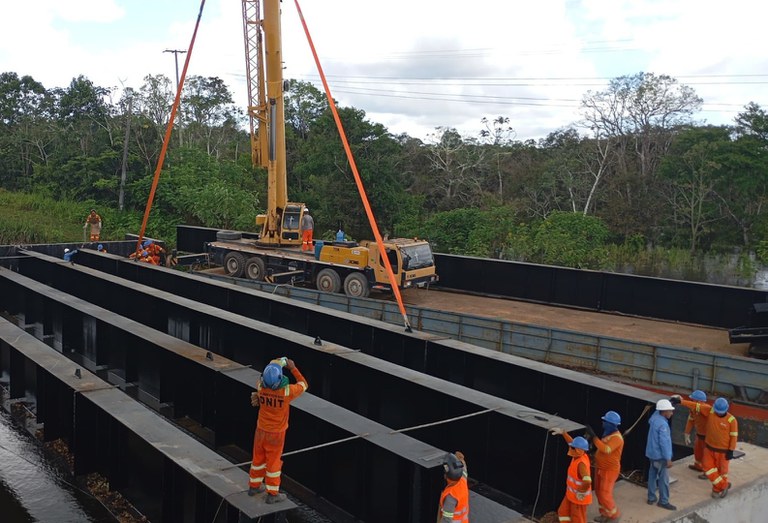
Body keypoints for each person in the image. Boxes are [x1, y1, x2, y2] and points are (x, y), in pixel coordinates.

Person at [248, 357, 308, 503]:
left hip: (261, 430)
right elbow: (303, 384)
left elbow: (267, 372)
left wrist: (277, 363)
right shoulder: (287, 392)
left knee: (258, 458)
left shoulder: (260, 387)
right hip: (276, 434)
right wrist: (292, 367)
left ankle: (254, 486)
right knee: (273, 462)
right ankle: (273, 494)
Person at [674, 395, 737, 499]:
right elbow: (695, 406)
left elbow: (734, 436)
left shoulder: (731, 420)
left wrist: (731, 450)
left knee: (722, 472)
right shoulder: (710, 411)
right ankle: (723, 485)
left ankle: (716, 489)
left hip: (723, 451)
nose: (718, 413)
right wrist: (680, 401)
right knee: (707, 467)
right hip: (709, 448)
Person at [550, 428, 592, 523]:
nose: (570, 448)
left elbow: (587, 480)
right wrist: (564, 433)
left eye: (573, 448)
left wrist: (581, 492)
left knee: (577, 519)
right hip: (571, 495)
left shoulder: (581, 464)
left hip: (578, 498)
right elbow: (572, 442)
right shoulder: (579, 455)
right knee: (563, 512)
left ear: (578, 450)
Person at [588, 410, 624, 523]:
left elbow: (606, 449)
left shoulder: (617, 438)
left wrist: (594, 437)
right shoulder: (608, 434)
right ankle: (604, 514)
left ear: (611, 424)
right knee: (599, 492)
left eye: (605, 421)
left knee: (605, 494)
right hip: (600, 468)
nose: (602, 423)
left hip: (610, 470)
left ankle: (614, 516)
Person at [646, 399, 676, 510]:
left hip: (651, 454)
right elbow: (664, 442)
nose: (672, 413)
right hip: (660, 457)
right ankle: (663, 501)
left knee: (652, 475)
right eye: (670, 411)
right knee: (663, 480)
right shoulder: (663, 425)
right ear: (664, 412)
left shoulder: (654, 419)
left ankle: (651, 497)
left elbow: (657, 410)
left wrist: (670, 401)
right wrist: (668, 458)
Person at [437, 451, 469, 523]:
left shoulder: (450, 497)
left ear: (445, 476)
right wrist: (461, 459)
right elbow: (464, 469)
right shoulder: (463, 480)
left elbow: (446, 520)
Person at [681, 390, 708, 475]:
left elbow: (696, 406)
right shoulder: (694, 410)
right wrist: (687, 433)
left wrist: (681, 401)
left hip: (708, 437)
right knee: (697, 450)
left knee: (707, 454)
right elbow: (691, 420)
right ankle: (698, 465)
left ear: (698, 401)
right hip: (700, 435)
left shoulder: (705, 408)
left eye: (692, 400)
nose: (691, 401)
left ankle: (707, 472)